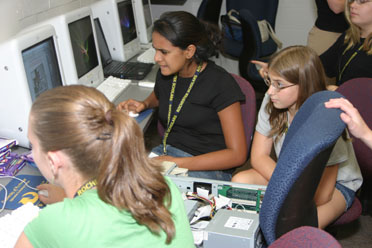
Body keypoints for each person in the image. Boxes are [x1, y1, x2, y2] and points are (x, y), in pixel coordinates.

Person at [15, 85, 194, 247]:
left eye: (33, 145)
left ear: (53, 161)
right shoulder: (163, 186)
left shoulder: (56, 223)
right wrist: (69, 201)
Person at [232, 46, 362, 229]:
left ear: (304, 84)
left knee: (296, 226)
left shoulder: (326, 118)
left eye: (279, 84)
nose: (269, 91)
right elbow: (259, 157)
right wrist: (286, 187)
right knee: (240, 182)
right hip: (290, 175)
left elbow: (322, 195)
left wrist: (284, 192)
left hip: (334, 187)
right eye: (270, 81)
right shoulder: (273, 100)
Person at [118, 11, 247, 181]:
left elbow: (237, 155)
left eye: (164, 52)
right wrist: (145, 104)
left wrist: (179, 163)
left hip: (207, 166)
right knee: (120, 179)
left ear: (189, 51)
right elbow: (160, 95)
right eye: (155, 50)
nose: (157, 58)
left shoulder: (220, 84)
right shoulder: (167, 73)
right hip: (169, 155)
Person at [320, 0, 372, 86]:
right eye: (352, 0)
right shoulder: (349, 37)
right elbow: (321, 65)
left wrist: (343, 92)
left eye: (362, 1)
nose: (352, 5)